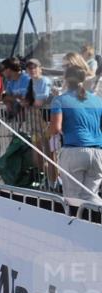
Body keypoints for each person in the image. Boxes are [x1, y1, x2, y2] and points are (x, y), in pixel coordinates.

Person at [48, 66, 102, 204]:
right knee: (92, 196)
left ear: (65, 79)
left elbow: (56, 128)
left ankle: (73, 223)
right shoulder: (98, 101)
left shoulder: (59, 100)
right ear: (83, 79)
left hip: (74, 151)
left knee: (73, 199)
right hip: (97, 152)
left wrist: (46, 132)